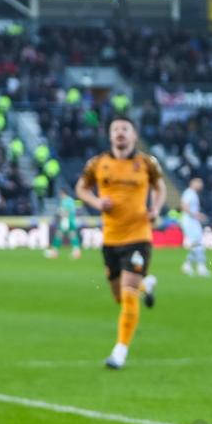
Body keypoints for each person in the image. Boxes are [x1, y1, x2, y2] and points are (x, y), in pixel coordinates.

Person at [75, 117, 166, 370]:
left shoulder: (147, 163)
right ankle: (146, 285)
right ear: (110, 135)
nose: (120, 133)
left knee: (128, 294)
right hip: (111, 238)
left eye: (125, 129)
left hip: (138, 236)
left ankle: (120, 351)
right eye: (115, 129)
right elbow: (81, 188)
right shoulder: (98, 164)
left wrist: (156, 208)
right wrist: (96, 203)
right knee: (119, 296)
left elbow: (160, 188)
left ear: (134, 135)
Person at [180, 177, 210, 276]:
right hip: (189, 221)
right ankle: (201, 266)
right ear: (193, 183)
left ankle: (187, 265)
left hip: (193, 221)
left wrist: (197, 215)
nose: (201, 185)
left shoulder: (193, 193)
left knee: (197, 243)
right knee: (197, 243)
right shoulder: (189, 193)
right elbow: (184, 206)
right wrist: (196, 215)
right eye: (199, 182)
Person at [45, 188, 81, 259]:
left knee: (59, 235)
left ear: (63, 193)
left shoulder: (65, 201)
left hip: (66, 220)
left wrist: (59, 213)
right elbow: (73, 210)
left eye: (61, 194)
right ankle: (76, 251)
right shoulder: (71, 200)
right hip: (71, 220)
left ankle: (54, 251)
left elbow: (66, 211)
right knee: (72, 235)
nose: (60, 195)